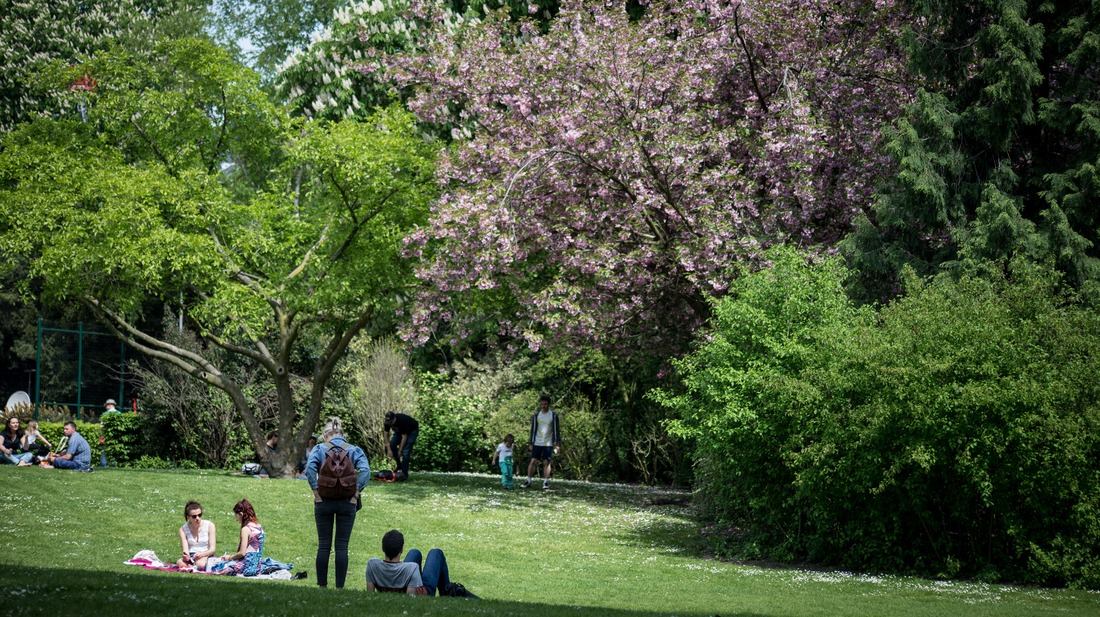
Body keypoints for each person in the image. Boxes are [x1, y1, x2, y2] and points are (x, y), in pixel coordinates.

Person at [304, 417, 370, 589]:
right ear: (342, 435)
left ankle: (322, 586)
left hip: (323, 501)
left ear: (326, 435)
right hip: (347, 503)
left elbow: (310, 469)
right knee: (342, 546)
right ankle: (340, 587)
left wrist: (316, 492)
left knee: (324, 545)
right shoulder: (353, 449)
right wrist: (356, 494)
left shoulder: (319, 448)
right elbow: (366, 471)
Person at [366, 529, 472, 597]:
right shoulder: (412, 568)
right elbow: (412, 599)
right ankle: (447, 593)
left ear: (382, 548)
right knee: (436, 553)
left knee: (414, 552)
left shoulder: (372, 564)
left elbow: (369, 594)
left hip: (398, 581)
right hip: (422, 593)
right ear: (401, 549)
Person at [211, 499, 265, 576]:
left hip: (246, 567)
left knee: (217, 567)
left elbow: (242, 553)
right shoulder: (259, 527)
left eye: (236, 515)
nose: (236, 519)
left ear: (241, 514)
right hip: (257, 567)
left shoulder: (246, 529)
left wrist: (229, 557)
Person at [523, 394, 562, 489]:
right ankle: (528, 481)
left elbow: (556, 431)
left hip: (548, 443)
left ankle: (546, 482)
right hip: (537, 442)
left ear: (548, 404)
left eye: (545, 404)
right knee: (533, 461)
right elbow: (533, 430)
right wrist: (531, 443)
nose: (544, 406)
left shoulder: (553, 415)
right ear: (540, 404)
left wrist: (557, 444)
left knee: (546, 462)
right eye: (542, 404)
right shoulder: (536, 416)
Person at [176, 500, 217, 571]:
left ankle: (192, 567)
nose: (197, 518)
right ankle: (191, 566)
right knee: (180, 563)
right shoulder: (183, 529)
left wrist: (202, 554)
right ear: (188, 517)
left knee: (200, 564)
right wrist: (186, 556)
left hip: (206, 554)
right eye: (194, 516)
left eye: (199, 515)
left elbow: (212, 549)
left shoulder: (210, 525)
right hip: (192, 556)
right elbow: (185, 549)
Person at [383, 411, 419, 481]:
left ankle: (404, 474)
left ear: (394, 419)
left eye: (390, 422)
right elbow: (385, 434)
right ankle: (399, 466)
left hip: (412, 430)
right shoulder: (387, 422)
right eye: (388, 422)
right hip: (400, 432)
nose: (389, 424)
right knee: (392, 444)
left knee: (406, 452)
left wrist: (400, 450)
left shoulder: (401, 421)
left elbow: (404, 437)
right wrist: (389, 449)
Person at [99, 398, 121, 467]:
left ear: (110, 405)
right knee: (114, 450)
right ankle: (114, 464)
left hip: (106, 435)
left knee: (104, 450)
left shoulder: (105, 414)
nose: (105, 407)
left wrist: (101, 436)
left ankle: (104, 464)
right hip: (116, 435)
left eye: (106, 405)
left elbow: (102, 426)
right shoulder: (119, 414)